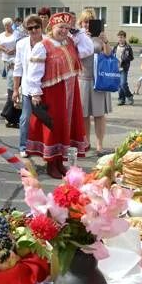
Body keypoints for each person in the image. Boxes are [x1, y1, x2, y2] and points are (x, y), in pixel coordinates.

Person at [25, 12, 91, 178]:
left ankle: (60, 162)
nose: (64, 30)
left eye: (67, 28)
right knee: (54, 127)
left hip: (70, 90)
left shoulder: (69, 41)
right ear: (52, 27)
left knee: (66, 127)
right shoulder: (43, 45)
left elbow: (88, 49)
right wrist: (35, 93)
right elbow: (34, 72)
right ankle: (51, 164)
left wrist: (78, 31)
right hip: (53, 93)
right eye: (60, 27)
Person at [77, 9, 112, 154]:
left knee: (99, 115)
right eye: (85, 21)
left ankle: (99, 145)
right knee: (84, 115)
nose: (87, 24)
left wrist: (105, 40)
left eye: (90, 21)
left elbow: (109, 54)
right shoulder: (78, 37)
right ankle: (87, 142)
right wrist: (83, 37)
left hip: (99, 80)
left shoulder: (99, 36)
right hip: (83, 79)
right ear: (81, 22)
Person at [12, 14, 43, 158]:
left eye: (37, 27)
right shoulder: (21, 44)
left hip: (45, 87)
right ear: (26, 30)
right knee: (25, 118)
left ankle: (43, 147)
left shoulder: (48, 42)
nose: (34, 30)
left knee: (44, 119)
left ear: (41, 27)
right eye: (30, 28)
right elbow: (18, 68)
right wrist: (15, 89)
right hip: (27, 87)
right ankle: (24, 146)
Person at [0, 17, 21, 127]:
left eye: (8, 25)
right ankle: (7, 115)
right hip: (9, 62)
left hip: (16, 61)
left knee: (13, 91)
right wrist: (5, 50)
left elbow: (19, 46)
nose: (7, 27)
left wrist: (14, 50)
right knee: (12, 91)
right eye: (5, 25)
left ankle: (8, 114)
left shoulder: (17, 34)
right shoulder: (2, 34)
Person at [112, 30, 134, 105]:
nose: (120, 39)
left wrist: (125, 59)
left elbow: (131, 57)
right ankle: (121, 99)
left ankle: (129, 96)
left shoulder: (127, 47)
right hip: (116, 68)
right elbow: (112, 55)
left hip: (124, 68)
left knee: (123, 83)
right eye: (119, 37)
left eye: (121, 37)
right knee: (119, 84)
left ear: (125, 38)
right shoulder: (115, 46)